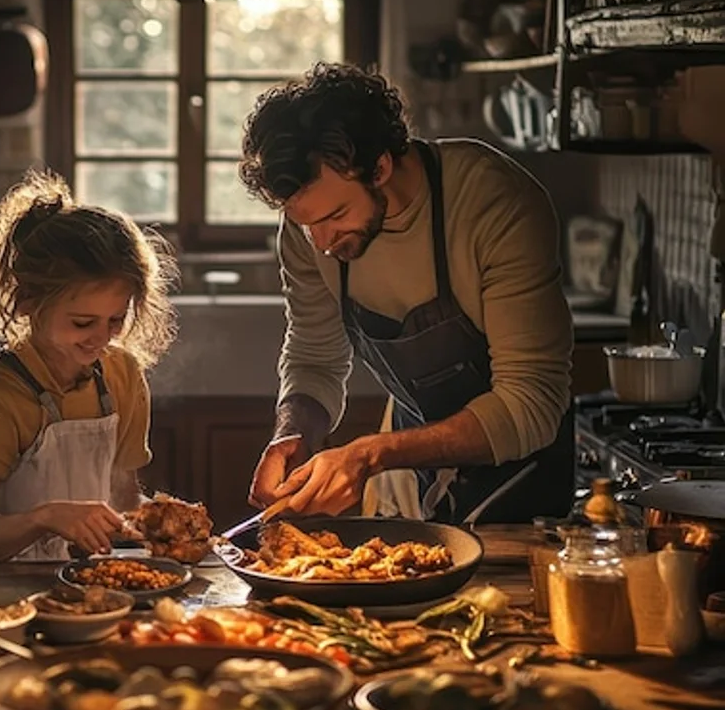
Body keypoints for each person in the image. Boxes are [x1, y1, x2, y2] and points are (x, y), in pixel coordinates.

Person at [240, 62, 573, 524]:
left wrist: (372, 455)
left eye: (334, 215)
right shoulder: (309, 229)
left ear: (379, 167)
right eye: (304, 223)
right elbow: (315, 358)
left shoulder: (493, 203)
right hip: (413, 466)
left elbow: (530, 404)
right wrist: (293, 431)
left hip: (525, 490)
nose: (319, 242)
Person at [0, 171, 177, 561]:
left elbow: (122, 497)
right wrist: (44, 518)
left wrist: (164, 524)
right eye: (82, 323)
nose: (101, 338)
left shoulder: (122, 375)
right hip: (11, 589)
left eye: (115, 320)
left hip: (98, 586)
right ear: (27, 302)